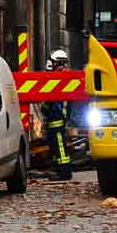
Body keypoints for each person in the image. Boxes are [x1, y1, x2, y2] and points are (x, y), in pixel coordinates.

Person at [42, 49, 72, 180]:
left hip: (57, 118)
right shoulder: (63, 75)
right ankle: (58, 169)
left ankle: (64, 173)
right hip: (56, 117)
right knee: (55, 145)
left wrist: (45, 108)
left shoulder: (59, 76)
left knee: (59, 145)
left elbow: (50, 99)